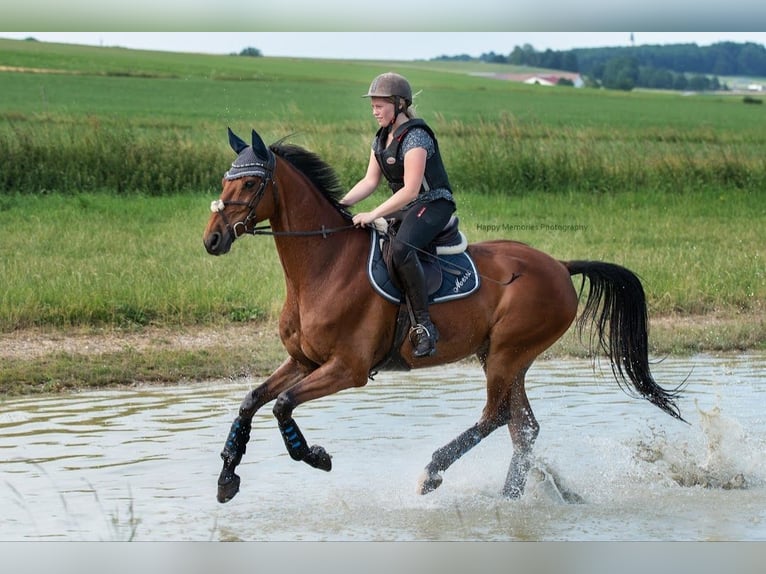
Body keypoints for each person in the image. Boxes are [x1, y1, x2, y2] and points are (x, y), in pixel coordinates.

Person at [340, 72, 456, 358]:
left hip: (433, 203)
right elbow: (370, 182)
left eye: (380, 105)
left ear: (399, 104)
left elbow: (411, 190)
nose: (374, 111)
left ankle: (425, 327)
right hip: (408, 207)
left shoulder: (416, 136)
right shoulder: (380, 139)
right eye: (373, 106)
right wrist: (339, 205)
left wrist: (373, 213)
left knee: (402, 249)